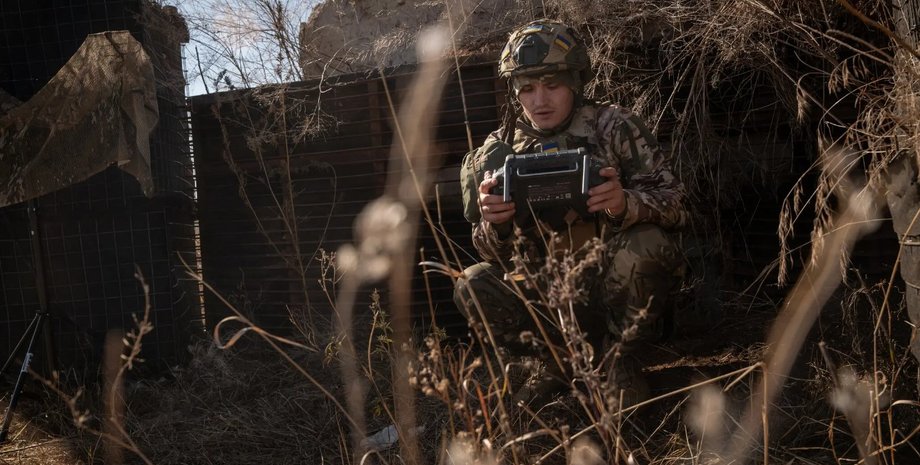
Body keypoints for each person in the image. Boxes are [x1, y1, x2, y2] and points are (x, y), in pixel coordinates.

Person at [453, 19, 687, 406]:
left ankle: (618, 363)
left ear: (575, 82)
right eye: (527, 88)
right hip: (547, 296)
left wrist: (624, 203)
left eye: (552, 85)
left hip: (611, 285)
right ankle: (555, 362)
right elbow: (487, 251)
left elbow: (676, 203)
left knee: (648, 245)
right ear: (515, 93)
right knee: (471, 284)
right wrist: (494, 223)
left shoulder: (613, 126)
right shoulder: (499, 148)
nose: (539, 100)